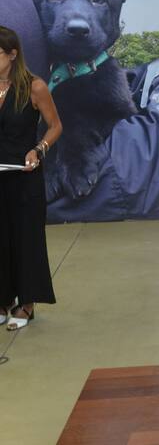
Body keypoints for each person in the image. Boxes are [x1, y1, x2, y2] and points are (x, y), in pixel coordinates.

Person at [0, 25, 62, 330]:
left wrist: (39, 149)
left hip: (24, 175)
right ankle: (3, 301)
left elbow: (55, 126)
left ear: (12, 55)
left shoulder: (34, 86)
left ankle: (26, 304)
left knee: (26, 239)